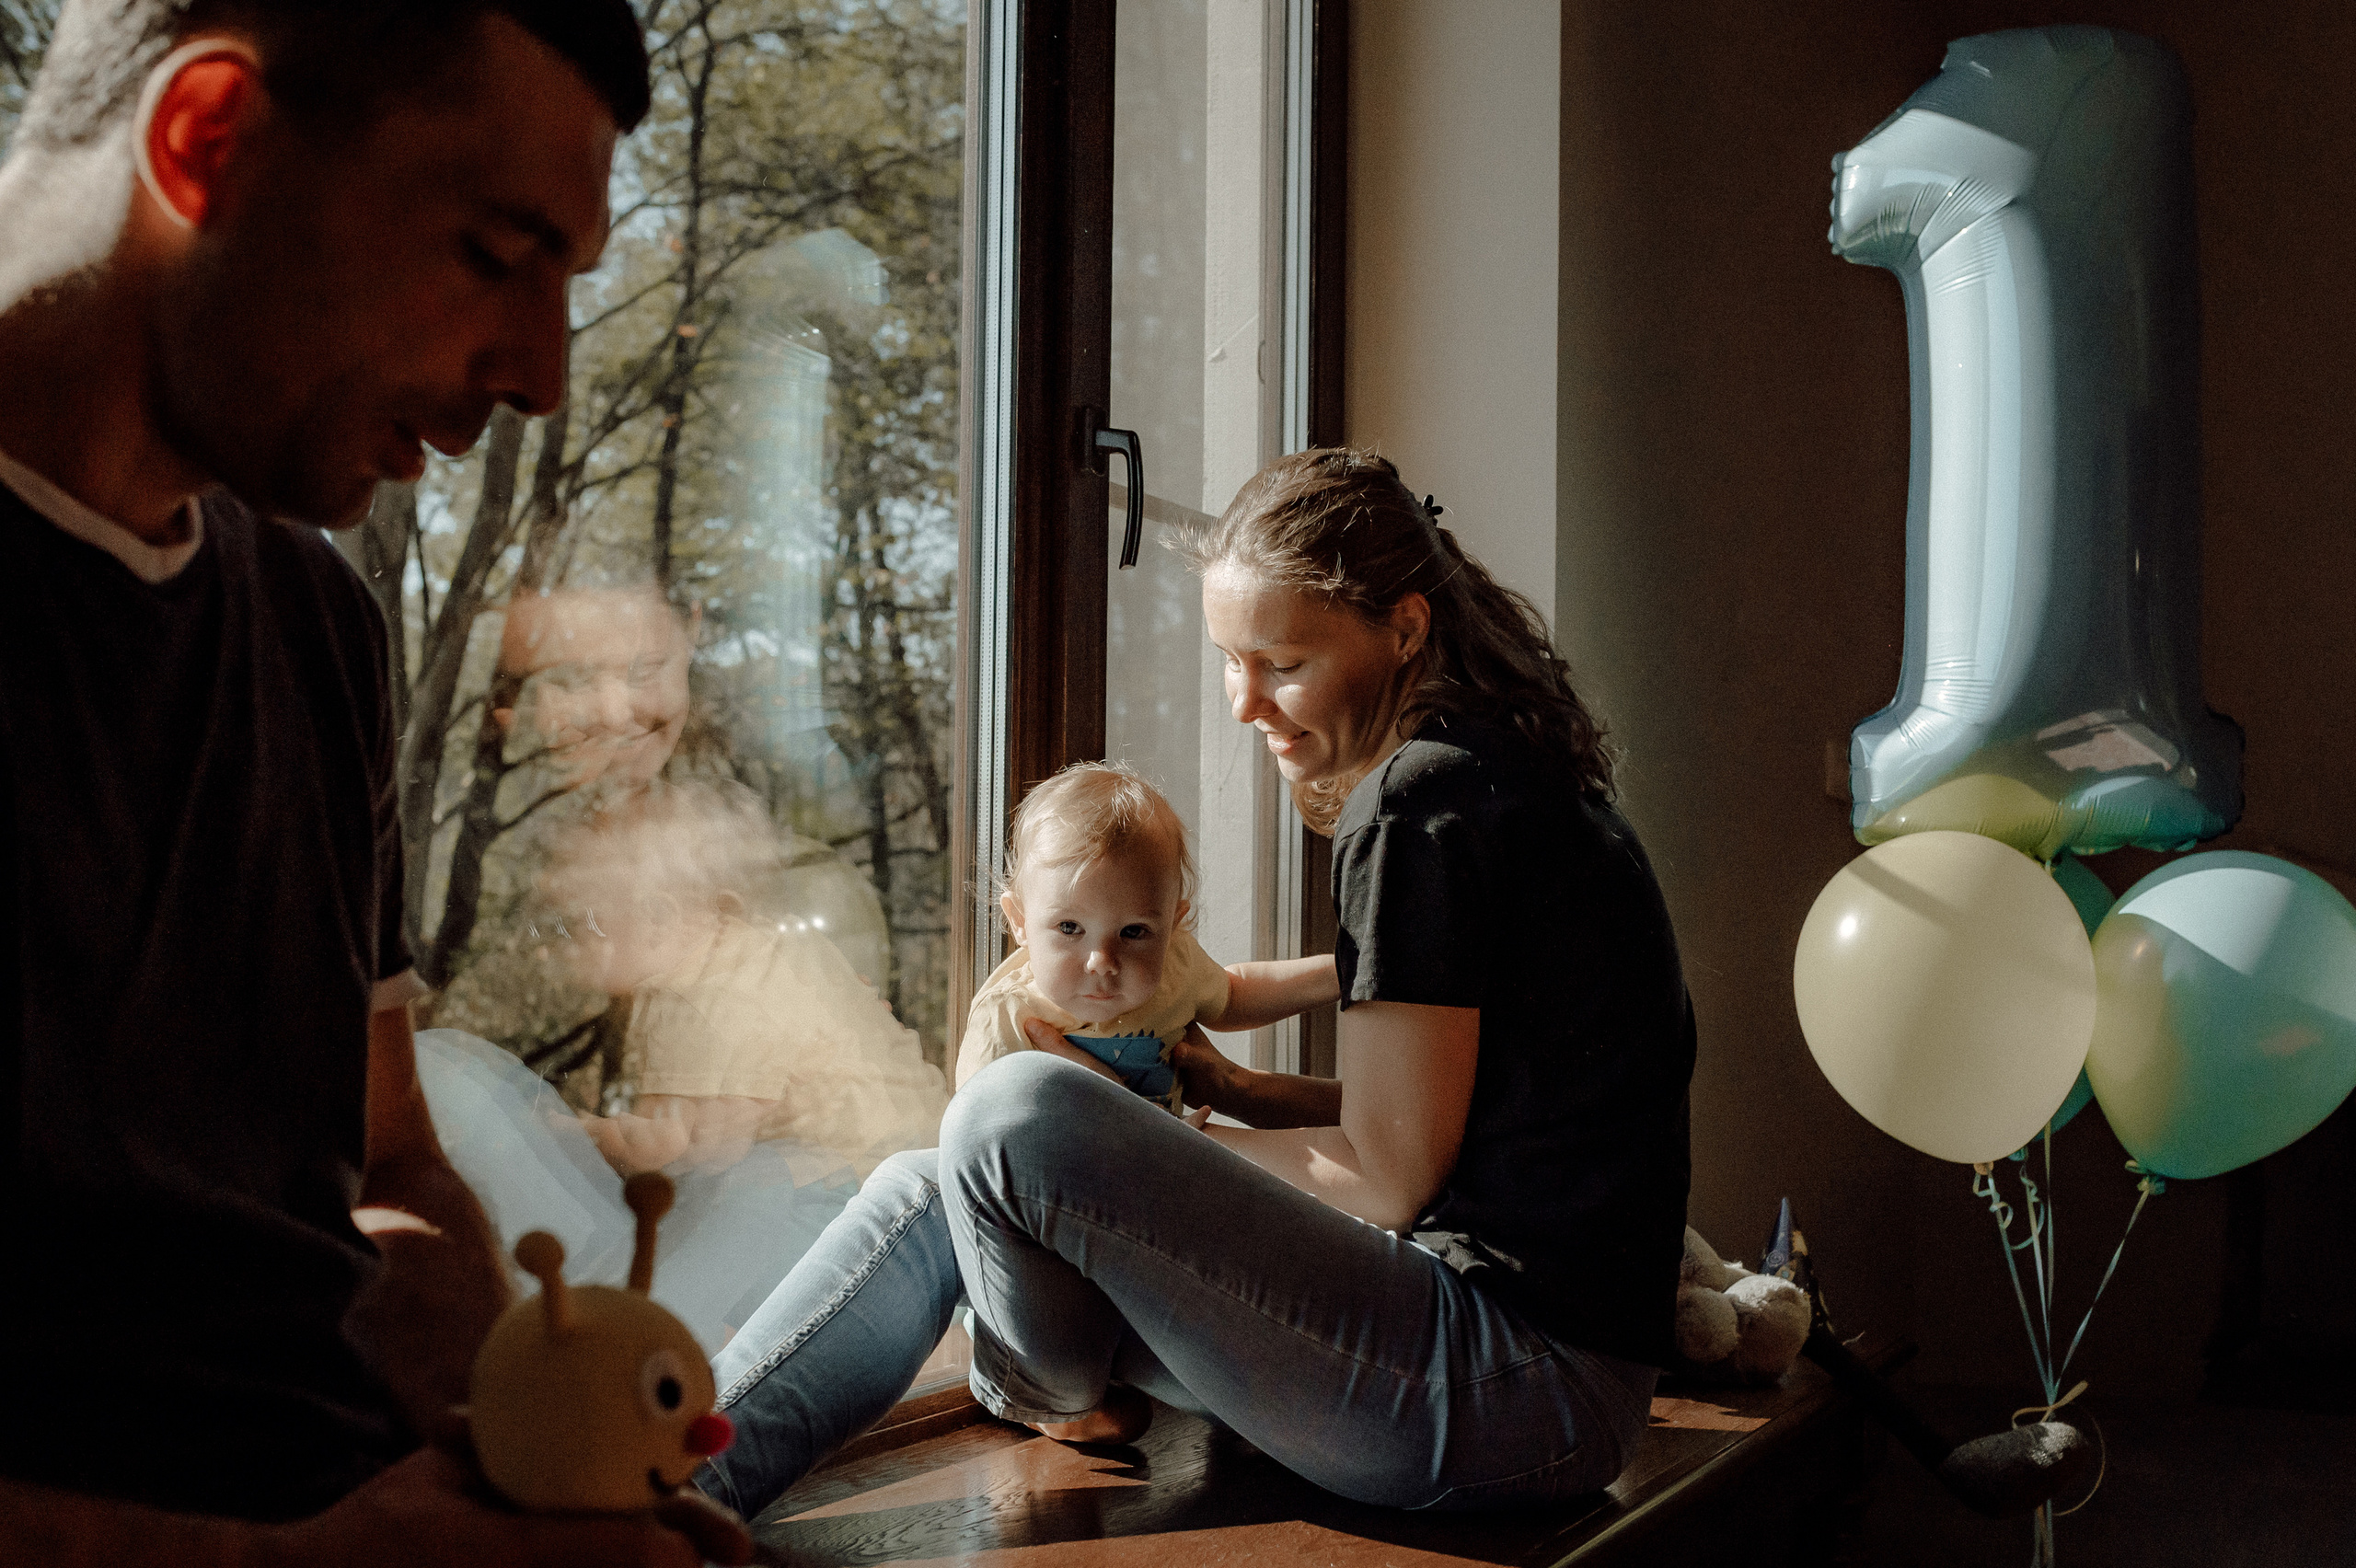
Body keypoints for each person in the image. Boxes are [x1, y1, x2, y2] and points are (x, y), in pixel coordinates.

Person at [0, 3, 745, 1562]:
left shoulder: (314, 621)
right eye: (493, 251)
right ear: (208, 138)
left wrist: (525, 1433)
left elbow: (388, 1160)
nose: (544, 374)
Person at [699, 446, 1695, 1515]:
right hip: (1546, 1396)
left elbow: (1389, 1177)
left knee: (1012, 1112)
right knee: (933, 1173)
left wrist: (1124, 1154)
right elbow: (1473, 1128)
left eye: (1281, 663)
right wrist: (1200, 1125)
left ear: (1404, 629)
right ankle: (673, 1489)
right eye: (1230, 660)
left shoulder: (1418, 806)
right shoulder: (1514, 778)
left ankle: (1022, 1375)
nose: (1243, 703)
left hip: (1500, 1392)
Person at [959, 759, 1336, 1114]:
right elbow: (976, 1140)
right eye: (1070, 928)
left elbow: (1235, 995)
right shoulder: (1007, 1018)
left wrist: (1347, 971)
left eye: (1133, 931)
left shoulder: (1177, 965)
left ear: (1173, 927)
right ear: (1020, 921)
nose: (1102, 960)